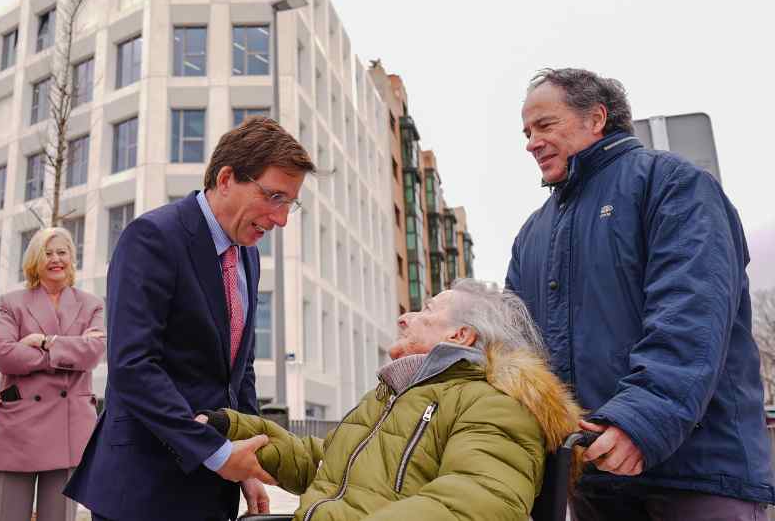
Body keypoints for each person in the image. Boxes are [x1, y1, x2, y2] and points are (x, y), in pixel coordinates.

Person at [507, 68, 774, 519]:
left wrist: (639, 422)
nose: (532, 143)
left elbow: (691, 316)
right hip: (594, 480)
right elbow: (518, 351)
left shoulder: (673, 184)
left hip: (697, 475)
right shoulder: (532, 234)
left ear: (596, 118)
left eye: (545, 125)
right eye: (527, 132)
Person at [65, 117, 316, 521]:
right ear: (226, 179)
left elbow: (240, 373)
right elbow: (134, 365)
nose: (282, 219)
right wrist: (216, 453)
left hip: (211, 490)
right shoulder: (153, 237)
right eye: (274, 197)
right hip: (144, 489)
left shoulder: (248, 257)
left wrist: (249, 464)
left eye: (290, 203)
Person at [198, 280, 582, 520]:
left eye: (427, 309)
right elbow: (327, 464)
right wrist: (230, 428)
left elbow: (478, 504)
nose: (404, 318)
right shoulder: (391, 396)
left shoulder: (494, 405)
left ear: (461, 335)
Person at [0, 226, 106, 521]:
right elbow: (1, 354)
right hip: (18, 426)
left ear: (72, 258)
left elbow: (93, 352)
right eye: (47, 253)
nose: (56, 259)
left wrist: (43, 342)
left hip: (68, 426)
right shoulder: (13, 302)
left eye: (62, 252)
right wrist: (67, 351)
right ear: (34, 261)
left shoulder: (91, 304)